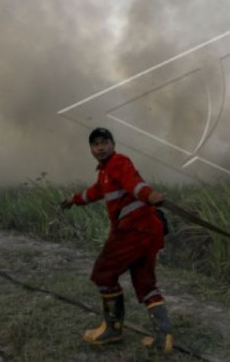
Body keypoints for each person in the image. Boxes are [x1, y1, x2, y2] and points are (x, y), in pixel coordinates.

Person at [61, 127, 173, 353]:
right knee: (145, 283)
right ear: (91, 149)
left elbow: (135, 183)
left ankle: (112, 330)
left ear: (113, 144)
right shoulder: (104, 172)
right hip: (147, 232)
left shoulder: (120, 163)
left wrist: (150, 195)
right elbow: (95, 192)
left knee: (104, 274)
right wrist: (73, 199)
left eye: (104, 142)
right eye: (95, 144)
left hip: (134, 231)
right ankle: (164, 339)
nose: (100, 147)